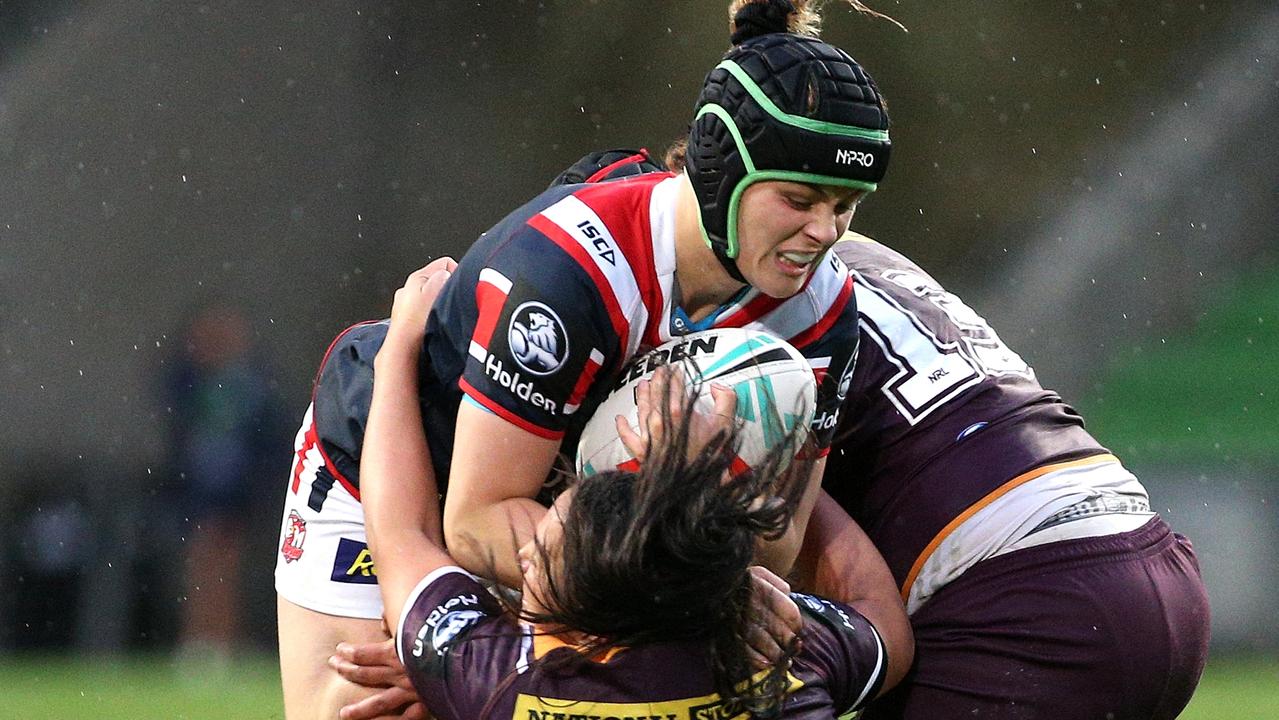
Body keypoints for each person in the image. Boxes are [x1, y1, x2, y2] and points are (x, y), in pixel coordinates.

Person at [275, 1, 897, 716]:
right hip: (400, 460)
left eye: (846, 205)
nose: (824, 231)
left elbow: (776, 542)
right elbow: (475, 523)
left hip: (579, 536)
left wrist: (686, 588)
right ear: (722, 167)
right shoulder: (571, 271)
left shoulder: (821, 314)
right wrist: (664, 595)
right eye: (798, 199)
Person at [357, 262, 906, 719]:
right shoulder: (777, 657)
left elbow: (402, 531)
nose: (523, 553)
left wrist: (398, 350)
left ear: (582, 626)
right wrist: (763, 455)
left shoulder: (496, 683)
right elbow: (886, 625)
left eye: (543, 555)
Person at [816, 235, 1210, 719]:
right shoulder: (852, 249)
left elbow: (767, 529)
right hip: (1149, 557)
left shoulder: (758, 280)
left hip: (1028, 597)